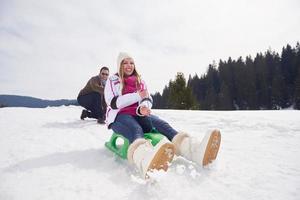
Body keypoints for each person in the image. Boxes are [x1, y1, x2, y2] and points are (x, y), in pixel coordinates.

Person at [104, 52, 221, 178]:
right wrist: (137, 96)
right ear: (119, 65)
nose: (129, 66)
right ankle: (144, 160)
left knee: (162, 125)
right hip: (119, 117)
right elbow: (113, 102)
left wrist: (144, 107)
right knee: (135, 129)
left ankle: (193, 150)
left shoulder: (140, 81)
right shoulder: (113, 81)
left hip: (138, 113)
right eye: (125, 63)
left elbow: (147, 98)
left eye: (131, 63)